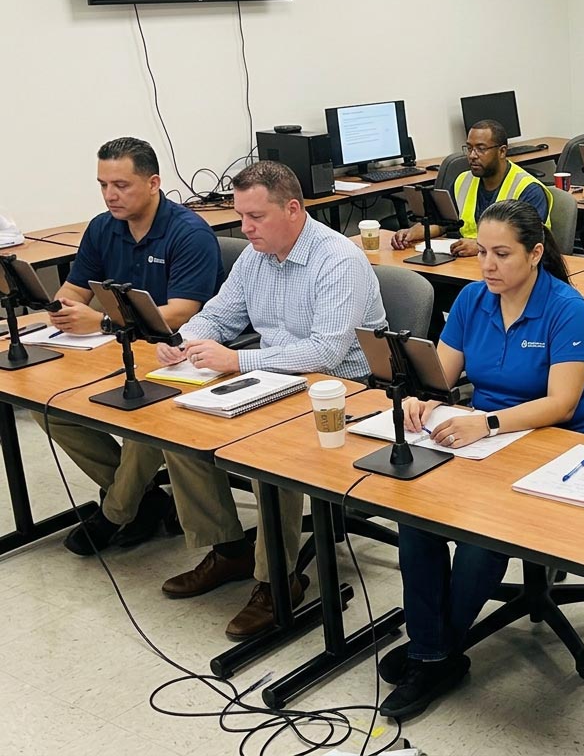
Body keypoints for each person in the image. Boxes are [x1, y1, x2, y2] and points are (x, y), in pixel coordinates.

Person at [377, 200, 584, 721]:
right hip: (487, 439)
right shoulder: (472, 300)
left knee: (481, 535)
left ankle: (432, 654)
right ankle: (430, 648)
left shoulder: (565, 307)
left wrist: (487, 422)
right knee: (417, 517)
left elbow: (562, 403)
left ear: (536, 253)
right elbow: (443, 373)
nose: (487, 265)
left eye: (502, 254)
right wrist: (424, 398)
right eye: (483, 252)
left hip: (557, 444)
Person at [153, 161, 387, 641]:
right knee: (179, 431)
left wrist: (236, 363)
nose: (246, 228)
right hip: (270, 376)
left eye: (256, 217)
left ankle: (275, 580)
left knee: (271, 458)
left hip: (340, 388)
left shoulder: (337, 258)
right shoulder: (256, 255)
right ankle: (229, 548)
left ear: (294, 210)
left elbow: (326, 351)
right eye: (241, 216)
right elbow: (218, 313)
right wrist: (184, 338)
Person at [41, 136, 223, 556]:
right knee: (51, 407)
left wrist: (104, 322)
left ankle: (118, 511)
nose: (110, 195)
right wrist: (60, 308)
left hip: (174, 353)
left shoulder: (188, 233)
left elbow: (179, 312)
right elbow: (74, 290)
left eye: (121, 185)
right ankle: (143, 499)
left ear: (154, 182)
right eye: (103, 184)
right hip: (113, 348)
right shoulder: (103, 227)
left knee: (146, 419)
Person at [390, 119, 551, 258]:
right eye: (469, 148)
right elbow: (442, 223)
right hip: (466, 261)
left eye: (481, 148)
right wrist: (411, 233)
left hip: (508, 268)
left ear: (502, 151)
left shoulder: (527, 189)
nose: (472, 155)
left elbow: (528, 240)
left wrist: (481, 247)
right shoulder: (463, 180)